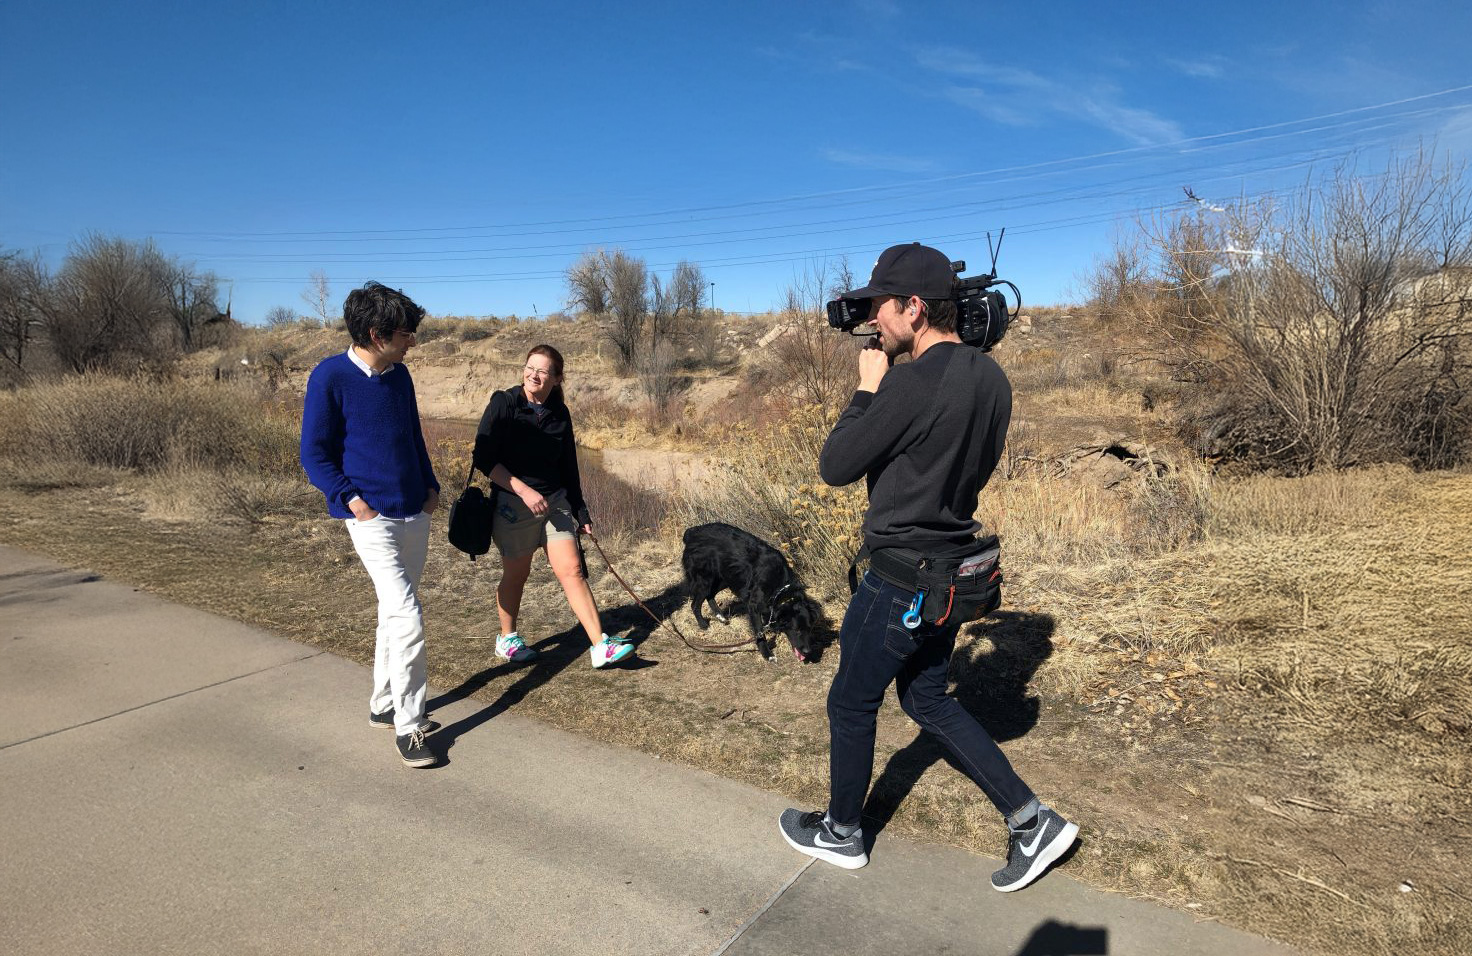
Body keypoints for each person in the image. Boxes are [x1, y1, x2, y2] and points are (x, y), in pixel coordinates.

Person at [777, 243, 1079, 892]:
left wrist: (866, 390)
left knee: (851, 702)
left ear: (914, 308)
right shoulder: (991, 379)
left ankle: (842, 832)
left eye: (881, 308)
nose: (873, 322)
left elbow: (835, 465)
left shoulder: (908, 383)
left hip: (899, 579)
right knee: (925, 699)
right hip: (953, 574)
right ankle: (1032, 822)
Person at [300, 281, 441, 769]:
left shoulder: (399, 376)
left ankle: (383, 703)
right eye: (407, 333)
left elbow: (412, 435)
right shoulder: (329, 377)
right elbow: (313, 455)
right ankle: (410, 726)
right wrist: (352, 502)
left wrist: (430, 487)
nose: (413, 342)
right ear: (378, 334)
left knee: (392, 613)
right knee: (407, 615)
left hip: (412, 510)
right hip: (370, 517)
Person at [472, 344, 634, 668]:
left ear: (557, 378)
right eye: (530, 367)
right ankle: (507, 639)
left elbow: (568, 465)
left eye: (543, 371)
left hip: (555, 503)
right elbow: (484, 459)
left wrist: (580, 509)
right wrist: (523, 490)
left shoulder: (560, 413)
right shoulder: (504, 404)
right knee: (516, 576)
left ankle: (600, 646)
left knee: (572, 570)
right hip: (513, 507)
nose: (534, 374)